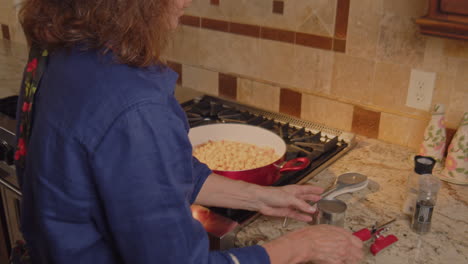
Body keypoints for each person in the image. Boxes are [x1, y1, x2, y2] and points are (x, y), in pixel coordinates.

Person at [15, 0, 364, 263]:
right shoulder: (135, 109)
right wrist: (301, 245)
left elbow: (143, 176)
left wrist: (259, 197)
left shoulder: (59, 54)